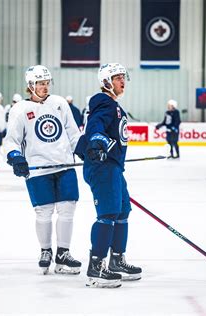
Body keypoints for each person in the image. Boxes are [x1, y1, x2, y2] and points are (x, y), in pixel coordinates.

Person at [4, 65, 82, 275]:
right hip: (38, 169)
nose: (45, 87)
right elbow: (11, 140)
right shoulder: (19, 109)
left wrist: (85, 150)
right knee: (44, 211)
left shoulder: (59, 103)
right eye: (40, 84)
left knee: (68, 208)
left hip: (64, 165)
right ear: (30, 85)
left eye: (47, 83)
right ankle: (46, 251)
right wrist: (15, 157)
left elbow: (73, 133)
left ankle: (63, 253)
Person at [79, 63, 142, 288]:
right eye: (117, 78)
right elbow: (95, 126)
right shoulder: (103, 101)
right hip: (102, 166)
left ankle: (116, 261)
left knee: (123, 211)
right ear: (106, 81)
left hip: (114, 166)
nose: (122, 81)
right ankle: (96, 268)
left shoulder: (115, 105)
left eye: (123, 77)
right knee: (108, 213)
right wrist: (97, 143)